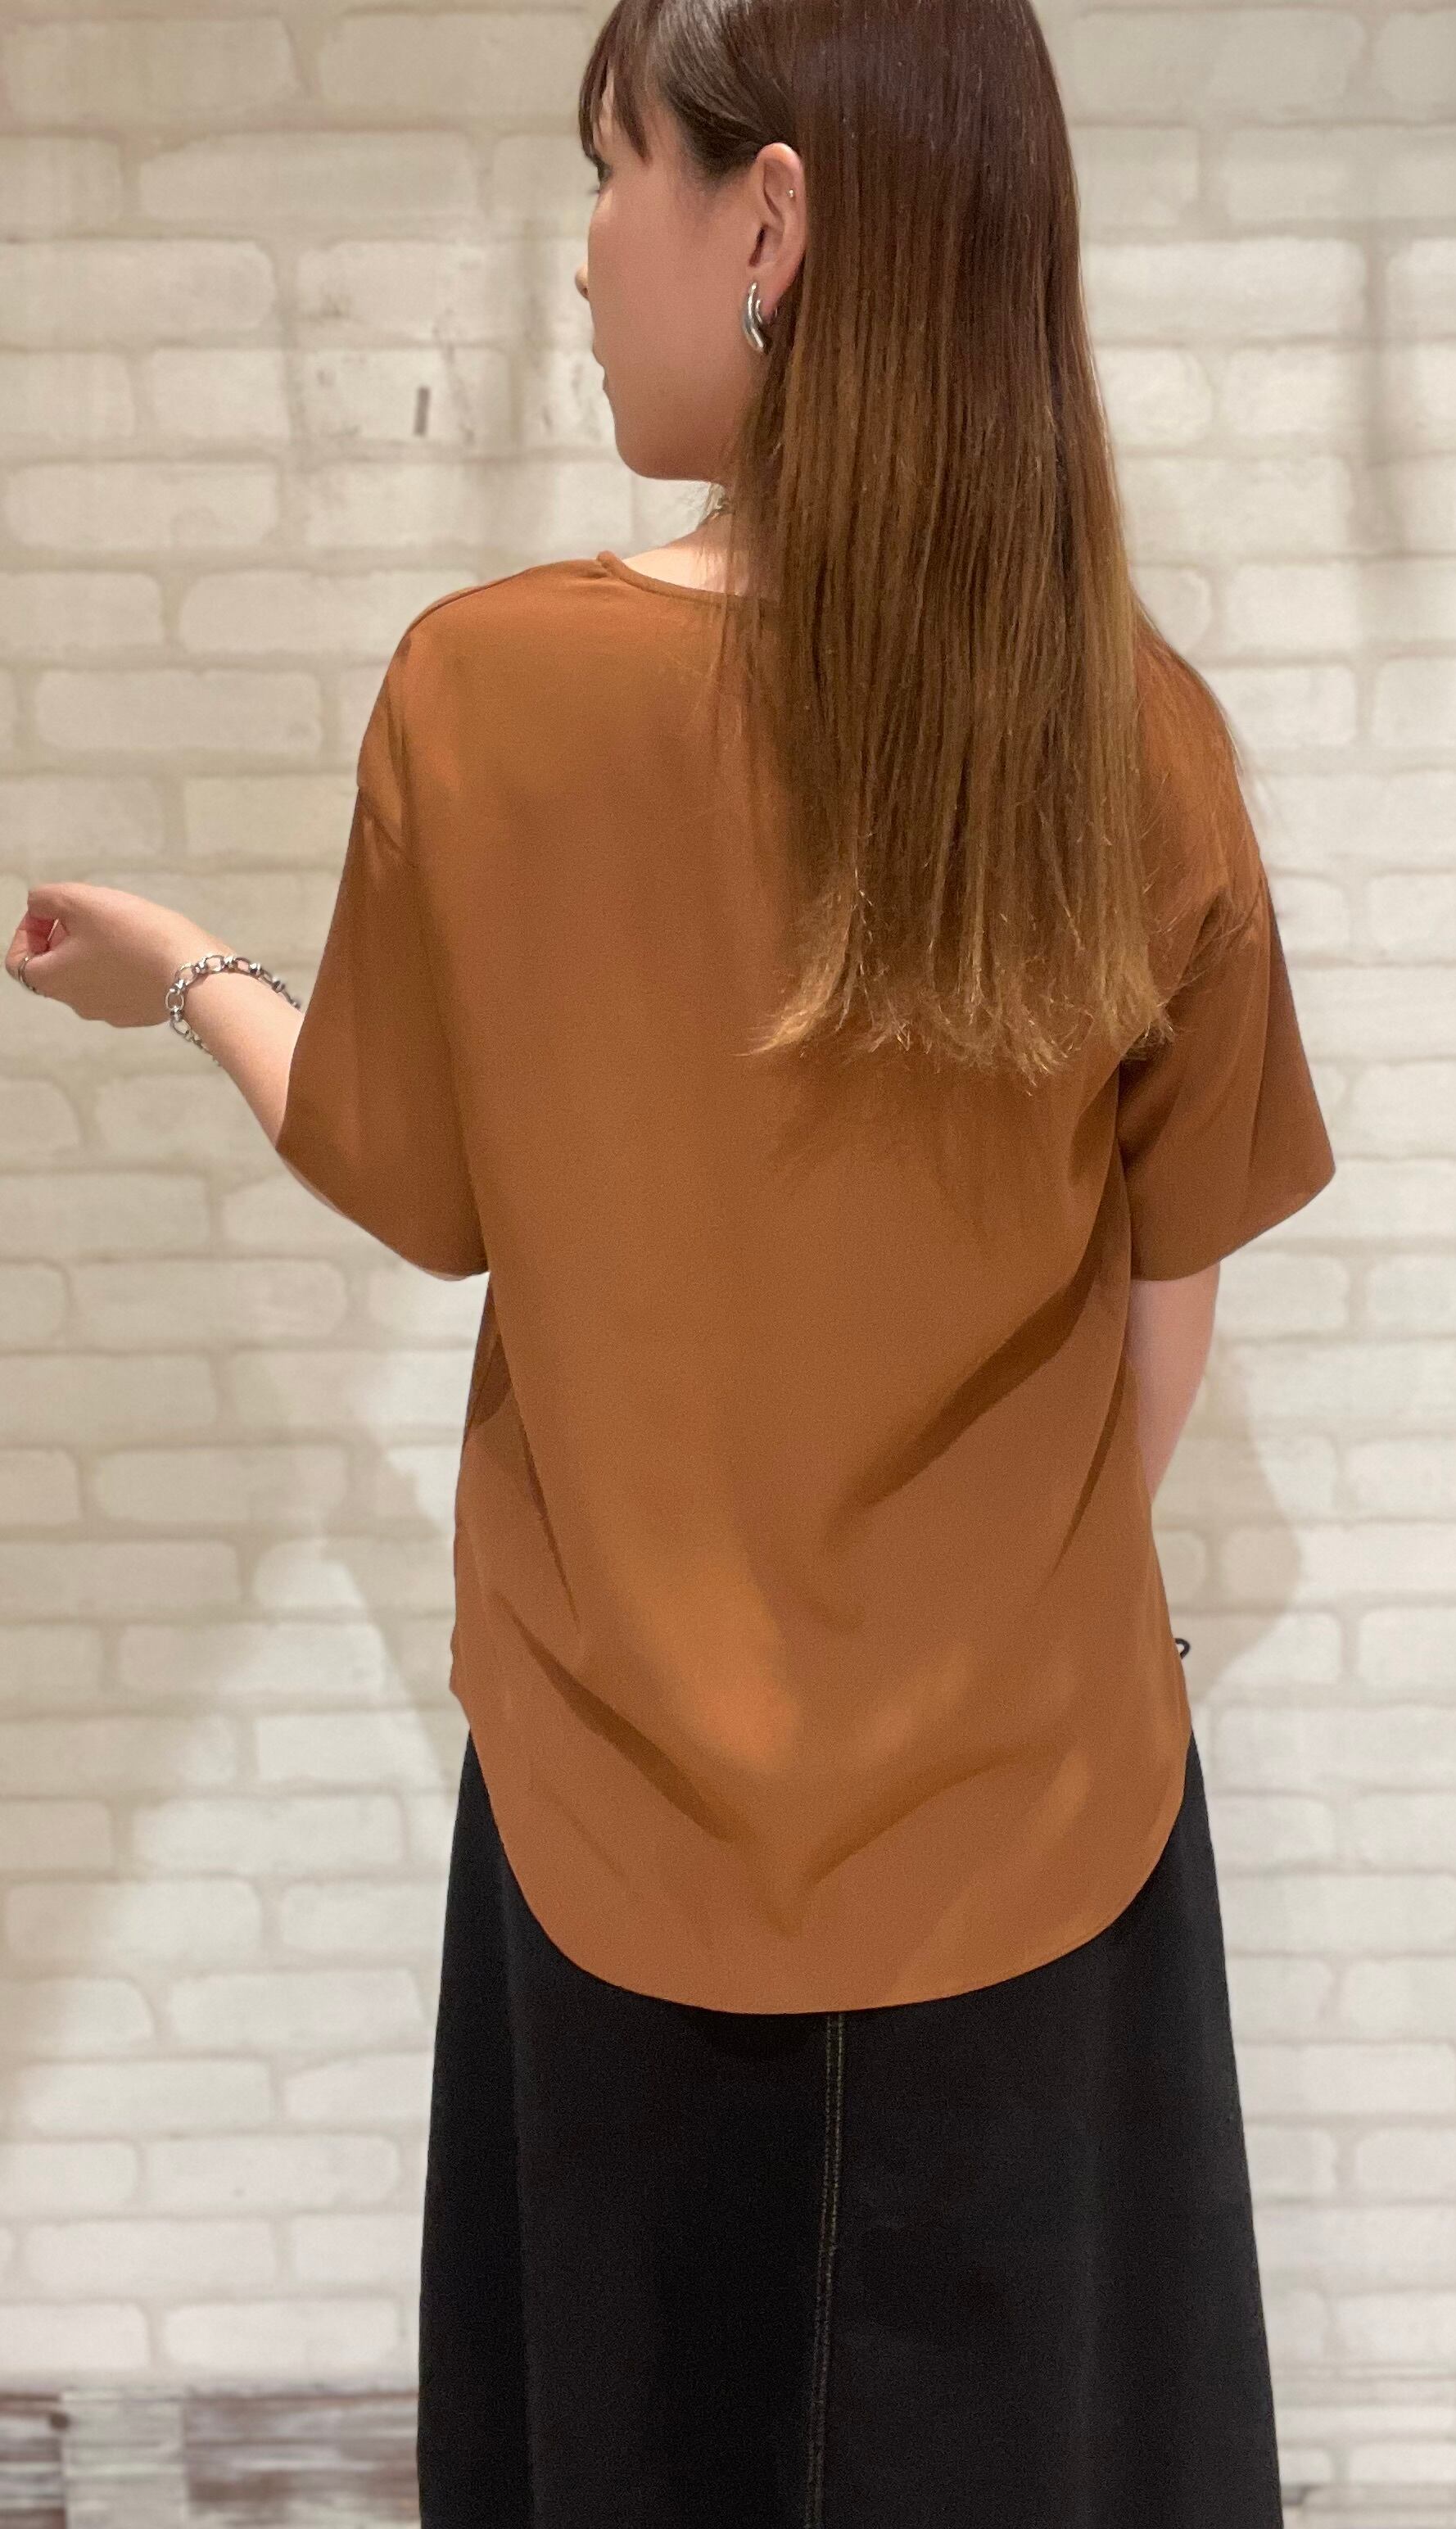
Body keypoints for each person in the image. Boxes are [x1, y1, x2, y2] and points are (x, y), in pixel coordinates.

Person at [7, 0, 1336, 2518]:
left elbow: (414, 1187)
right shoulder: (1133, 736)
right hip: (1039, 1843)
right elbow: (1158, 1325)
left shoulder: (491, 697)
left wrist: (187, 978)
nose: (581, 251)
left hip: (610, 1828)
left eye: (613, 169)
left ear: (770, 219)